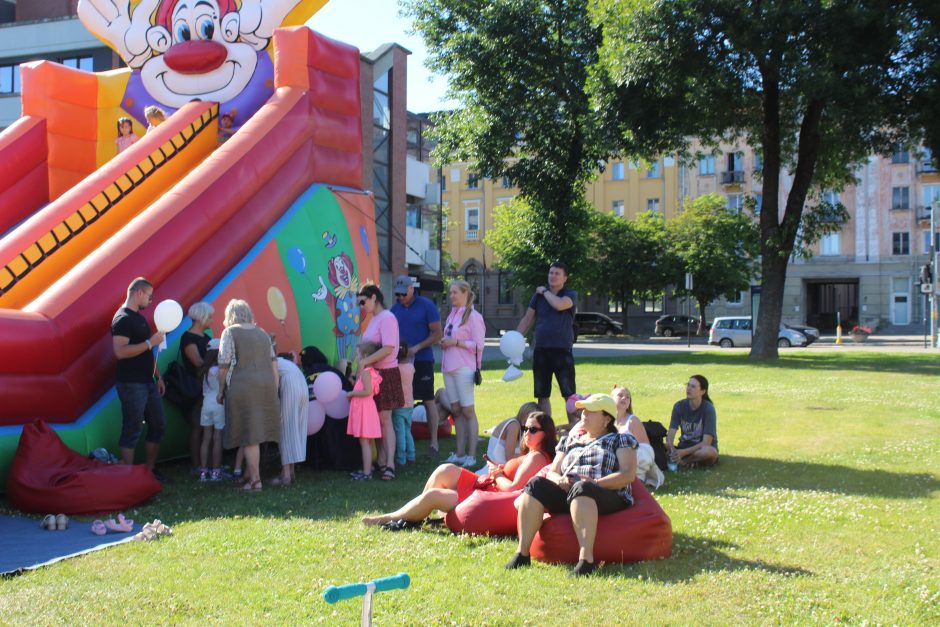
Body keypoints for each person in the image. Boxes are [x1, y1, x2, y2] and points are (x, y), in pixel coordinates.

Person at [508, 393, 638, 576]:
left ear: (606, 419)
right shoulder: (571, 440)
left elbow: (628, 474)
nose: (583, 414)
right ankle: (522, 553)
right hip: (569, 490)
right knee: (535, 484)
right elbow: (553, 471)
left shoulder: (620, 439)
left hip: (605, 493)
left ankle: (586, 560)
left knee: (582, 488)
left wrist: (596, 483)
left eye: (591, 411)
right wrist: (558, 480)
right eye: (583, 410)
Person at [361, 411, 558, 528]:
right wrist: (498, 471)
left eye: (533, 430)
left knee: (435, 495)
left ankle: (390, 518)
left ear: (546, 434)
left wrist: (497, 474)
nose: (526, 434)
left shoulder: (537, 457)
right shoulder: (531, 453)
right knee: (444, 470)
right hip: (488, 486)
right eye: (525, 429)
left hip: (490, 496)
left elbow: (513, 489)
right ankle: (416, 514)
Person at [216, 299, 280, 491]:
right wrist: (274, 389)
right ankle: (249, 476)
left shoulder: (229, 332)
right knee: (256, 433)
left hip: (243, 386)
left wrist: (221, 390)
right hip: (266, 386)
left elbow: (223, 366)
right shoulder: (261, 333)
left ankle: (255, 481)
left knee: (249, 435)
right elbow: (274, 363)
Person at [111, 278, 166, 474]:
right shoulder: (123, 318)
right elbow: (120, 351)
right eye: (149, 297)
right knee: (132, 429)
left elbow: (147, 351)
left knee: (158, 425)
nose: (150, 301)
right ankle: (128, 475)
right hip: (131, 383)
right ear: (138, 293)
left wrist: (157, 376)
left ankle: (149, 472)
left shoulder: (139, 318)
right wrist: (150, 343)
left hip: (147, 382)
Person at [516, 262, 578, 421]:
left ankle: (574, 430)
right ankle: (547, 431)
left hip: (562, 351)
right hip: (541, 351)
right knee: (542, 394)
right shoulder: (537, 297)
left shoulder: (570, 294)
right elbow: (527, 319)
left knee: (569, 394)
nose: (553, 276)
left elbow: (559, 305)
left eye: (557, 273)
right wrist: (515, 339)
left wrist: (544, 291)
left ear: (565, 278)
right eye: (551, 273)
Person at [390, 275, 443, 457]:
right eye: (398, 294)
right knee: (400, 401)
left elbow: (437, 334)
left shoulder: (426, 305)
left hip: (422, 360)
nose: (401, 297)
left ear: (412, 289)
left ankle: (434, 443)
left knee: (428, 399)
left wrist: (417, 348)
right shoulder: (394, 309)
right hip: (399, 363)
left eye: (403, 294)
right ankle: (404, 441)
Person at [357, 285, 401, 481]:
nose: (361, 305)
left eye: (363, 301)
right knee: (375, 420)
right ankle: (380, 462)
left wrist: (365, 361)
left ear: (374, 298)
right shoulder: (375, 319)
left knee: (385, 420)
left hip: (386, 373)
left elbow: (389, 347)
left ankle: (389, 465)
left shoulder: (387, 318)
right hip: (374, 373)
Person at [441, 280, 486, 468]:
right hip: (448, 367)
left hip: (464, 368)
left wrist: (456, 343)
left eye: (454, 292)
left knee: (468, 410)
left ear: (465, 293)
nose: (451, 296)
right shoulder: (452, 315)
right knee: (456, 410)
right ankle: (459, 453)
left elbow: (478, 344)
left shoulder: (473, 316)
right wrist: (446, 342)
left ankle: (471, 454)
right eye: (450, 293)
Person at [181, 301, 214, 474]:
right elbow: (198, 363)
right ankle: (196, 465)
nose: (211, 320)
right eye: (209, 317)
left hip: (210, 387)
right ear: (201, 317)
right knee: (197, 426)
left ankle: (208, 464)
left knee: (208, 428)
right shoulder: (188, 338)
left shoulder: (207, 339)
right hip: (196, 389)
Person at [612, 386, 664, 489]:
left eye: (627, 397)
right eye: (620, 395)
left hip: (634, 466)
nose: (624, 398)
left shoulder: (633, 421)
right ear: (611, 398)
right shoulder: (606, 420)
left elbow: (647, 452)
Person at [346, 341, 383, 480]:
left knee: (365, 442)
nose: (356, 357)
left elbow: (367, 391)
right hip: (364, 408)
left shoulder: (367, 373)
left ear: (366, 356)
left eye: (358, 354)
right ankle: (367, 468)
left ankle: (367, 472)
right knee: (365, 442)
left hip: (365, 409)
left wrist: (352, 394)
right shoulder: (366, 372)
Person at [272, 352, 309, 486]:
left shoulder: (270, 360)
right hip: (301, 384)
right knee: (296, 428)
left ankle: (286, 476)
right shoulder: (287, 363)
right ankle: (290, 472)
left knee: (286, 428)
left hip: (290, 384)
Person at [667, 375, 718, 467]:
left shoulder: (708, 409)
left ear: (702, 391)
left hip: (700, 449)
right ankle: (686, 461)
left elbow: (706, 442)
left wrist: (683, 453)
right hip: (683, 447)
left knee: (709, 452)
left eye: (693, 386)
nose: (689, 389)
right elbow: (671, 433)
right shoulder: (679, 406)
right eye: (688, 385)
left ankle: (684, 463)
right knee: (657, 446)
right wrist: (671, 448)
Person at [473, 401, 538, 475]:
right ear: (525, 416)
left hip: (499, 468)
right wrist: (532, 455)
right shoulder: (514, 425)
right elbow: (510, 456)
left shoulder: (519, 425)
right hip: (494, 471)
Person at [197, 339, 224, 482]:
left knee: (206, 438)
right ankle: (216, 471)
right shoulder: (220, 370)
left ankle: (203, 471)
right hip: (219, 403)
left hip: (206, 403)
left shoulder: (205, 370)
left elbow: (204, 391)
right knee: (217, 437)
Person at [391, 343, 416, 467]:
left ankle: (401, 459)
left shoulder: (395, 368)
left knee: (399, 432)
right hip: (410, 404)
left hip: (398, 405)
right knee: (407, 431)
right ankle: (411, 456)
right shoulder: (411, 367)